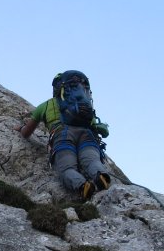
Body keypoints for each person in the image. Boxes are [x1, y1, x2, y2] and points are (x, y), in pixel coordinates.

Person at [16, 70, 112, 200]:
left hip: (62, 136)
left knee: (66, 168)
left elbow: (27, 132)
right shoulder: (85, 105)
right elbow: (96, 127)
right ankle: (101, 176)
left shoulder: (46, 105)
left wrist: (20, 128)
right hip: (87, 135)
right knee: (92, 161)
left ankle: (82, 185)